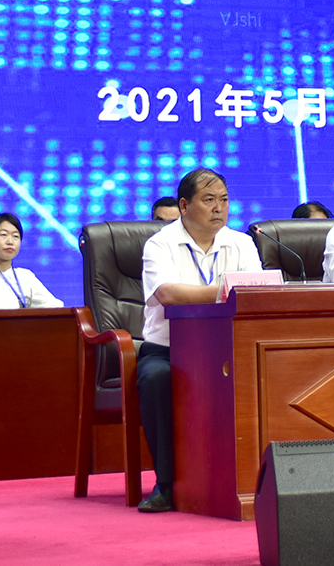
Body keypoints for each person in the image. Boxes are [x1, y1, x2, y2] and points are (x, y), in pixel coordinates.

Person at [136, 167, 262, 512]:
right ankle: (166, 484)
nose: (219, 208)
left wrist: (229, 292)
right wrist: (225, 291)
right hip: (169, 351)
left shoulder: (242, 243)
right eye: (209, 200)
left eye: (224, 200)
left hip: (227, 349)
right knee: (155, 379)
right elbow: (167, 293)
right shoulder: (160, 244)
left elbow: (257, 292)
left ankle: (253, 481)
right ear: (184, 205)